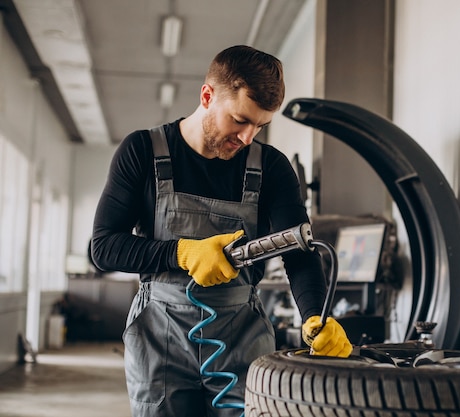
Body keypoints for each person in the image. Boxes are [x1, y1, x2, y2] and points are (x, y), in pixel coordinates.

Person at [91, 45, 352, 417]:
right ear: (207, 96)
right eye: (240, 120)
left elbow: (298, 248)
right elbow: (103, 248)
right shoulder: (142, 151)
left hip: (241, 339)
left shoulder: (272, 168)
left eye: (260, 126)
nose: (247, 137)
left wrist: (314, 314)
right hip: (159, 341)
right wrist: (180, 253)